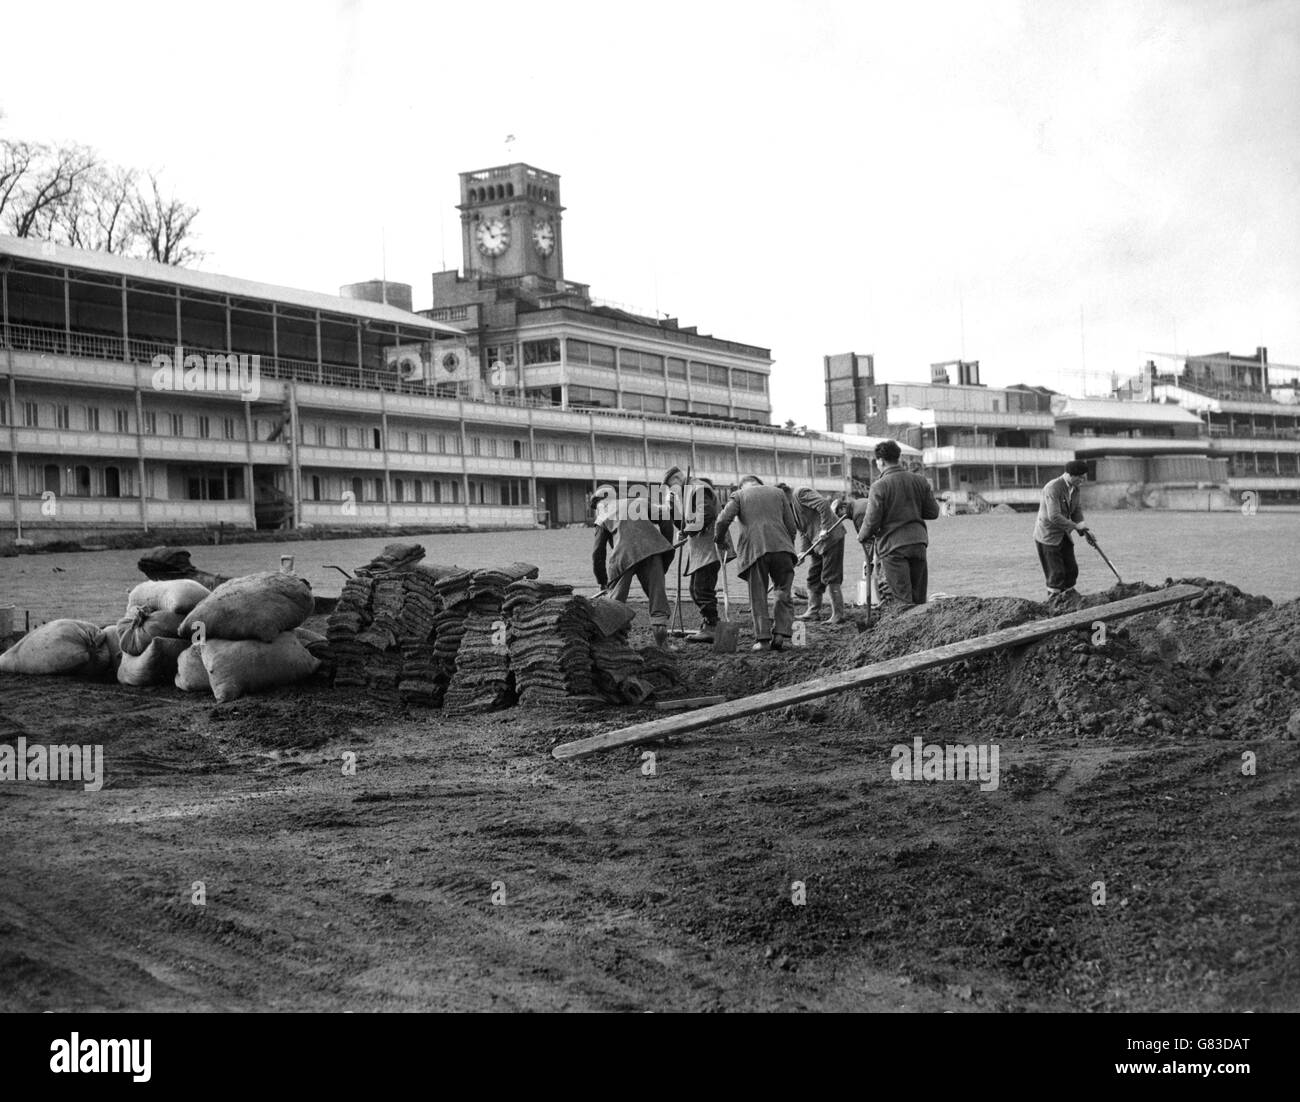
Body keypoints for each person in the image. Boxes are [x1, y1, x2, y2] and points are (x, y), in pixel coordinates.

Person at [714, 474, 798, 652]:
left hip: (755, 550)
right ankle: (781, 633)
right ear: (760, 484)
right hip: (782, 548)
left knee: (758, 595)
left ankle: (763, 640)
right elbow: (791, 525)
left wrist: (720, 540)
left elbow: (722, 520)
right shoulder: (778, 493)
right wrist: (786, 544)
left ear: (743, 486)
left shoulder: (739, 495)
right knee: (783, 591)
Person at [858, 440, 940, 608]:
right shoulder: (920, 481)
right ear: (898, 457)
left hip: (893, 547)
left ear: (880, 461)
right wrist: (913, 510)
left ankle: (908, 631)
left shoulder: (879, 486)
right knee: (919, 599)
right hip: (918, 543)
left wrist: (862, 536)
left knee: (903, 601)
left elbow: (872, 521)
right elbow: (933, 512)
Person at [591, 488, 676, 647]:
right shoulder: (639, 502)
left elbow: (598, 553)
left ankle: (612, 644)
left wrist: (603, 581)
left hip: (622, 556)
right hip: (652, 550)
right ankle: (662, 643)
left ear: (598, 504)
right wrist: (665, 545)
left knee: (614, 604)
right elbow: (666, 517)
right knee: (657, 597)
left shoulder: (602, 515)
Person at [663, 467, 731, 643]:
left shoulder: (697, 488)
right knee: (696, 589)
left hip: (710, 546)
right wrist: (672, 508)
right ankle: (709, 624)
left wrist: (687, 530)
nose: (672, 490)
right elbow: (683, 524)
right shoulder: (686, 493)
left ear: (679, 478)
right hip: (700, 549)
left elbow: (706, 514)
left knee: (702, 589)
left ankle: (712, 627)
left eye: (672, 486)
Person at [786, 484, 847, 624]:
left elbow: (823, 504)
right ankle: (813, 611)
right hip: (817, 543)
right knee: (813, 576)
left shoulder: (800, 493)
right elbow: (803, 531)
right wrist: (802, 552)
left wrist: (824, 528)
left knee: (831, 576)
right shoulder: (790, 509)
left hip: (831, 537)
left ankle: (838, 614)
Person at [1034, 460, 1090, 599]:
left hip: (1064, 533)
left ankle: (1069, 598)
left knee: (1072, 570)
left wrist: (1083, 527)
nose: (1083, 480)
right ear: (1070, 475)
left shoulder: (1075, 488)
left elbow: (1076, 508)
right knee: (1056, 573)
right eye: (1080, 477)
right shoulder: (1053, 488)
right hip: (1048, 536)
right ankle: (1054, 602)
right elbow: (1054, 516)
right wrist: (1075, 527)